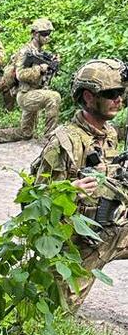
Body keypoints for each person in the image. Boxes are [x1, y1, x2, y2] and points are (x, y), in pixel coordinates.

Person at [32, 57, 128, 305]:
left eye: (121, 92)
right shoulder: (65, 142)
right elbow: (34, 202)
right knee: (56, 312)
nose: (119, 99)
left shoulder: (110, 134)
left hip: (108, 229)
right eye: (111, 93)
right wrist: (67, 190)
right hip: (75, 244)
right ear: (88, 96)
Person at [0, 18, 61, 145]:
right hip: (25, 95)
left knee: (25, 133)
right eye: (44, 34)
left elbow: (45, 76)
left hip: (35, 92)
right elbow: (20, 75)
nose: (47, 37)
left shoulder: (40, 53)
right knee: (54, 97)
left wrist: (53, 64)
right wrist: (40, 69)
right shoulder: (25, 52)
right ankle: (50, 138)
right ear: (35, 34)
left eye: (49, 34)